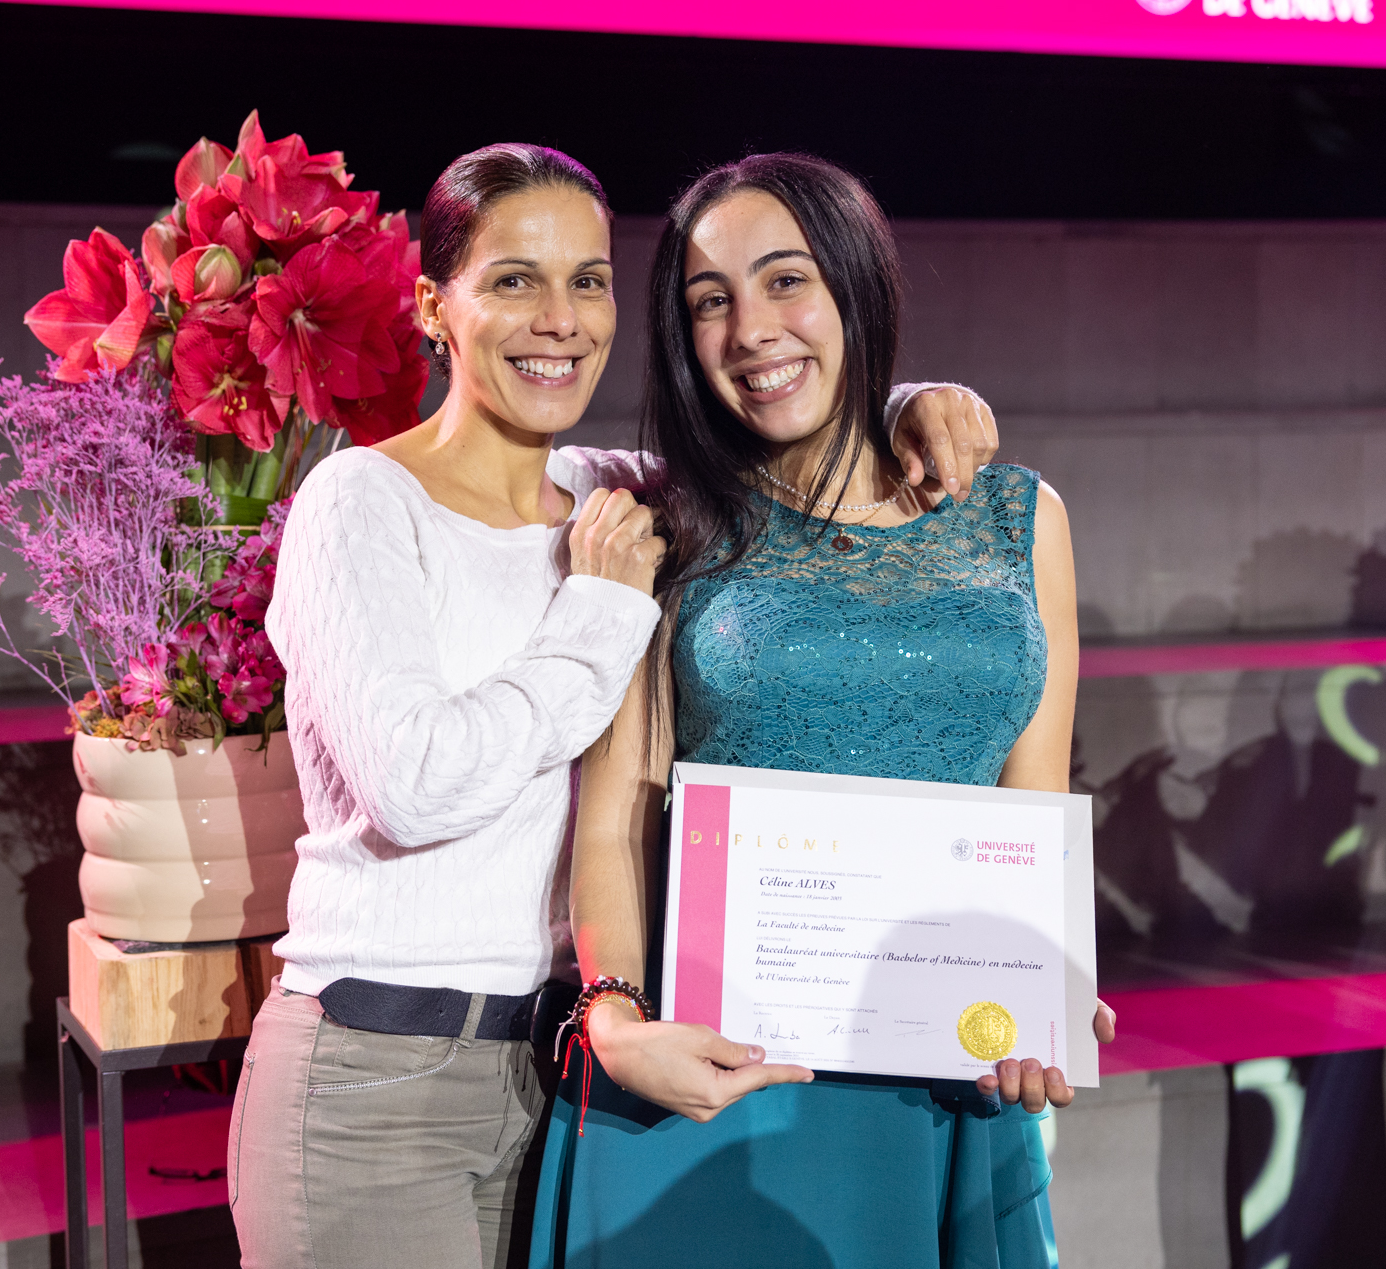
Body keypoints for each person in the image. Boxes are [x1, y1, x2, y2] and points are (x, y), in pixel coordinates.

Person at [235, 142, 1007, 1269]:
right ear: (435, 307)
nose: (559, 319)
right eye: (514, 280)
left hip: (565, 1078)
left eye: (587, 281)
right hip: (380, 1073)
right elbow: (415, 786)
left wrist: (913, 405)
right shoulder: (361, 502)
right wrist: (598, 613)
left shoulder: (617, 493)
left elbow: (795, 428)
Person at [531, 152, 1114, 1269]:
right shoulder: (669, 525)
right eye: (710, 301)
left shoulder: (1020, 517)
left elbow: (1034, 813)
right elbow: (614, 819)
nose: (751, 330)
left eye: (786, 280)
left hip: (952, 1081)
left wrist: (1047, 988)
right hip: (716, 1086)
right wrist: (612, 1017)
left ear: (856, 283)